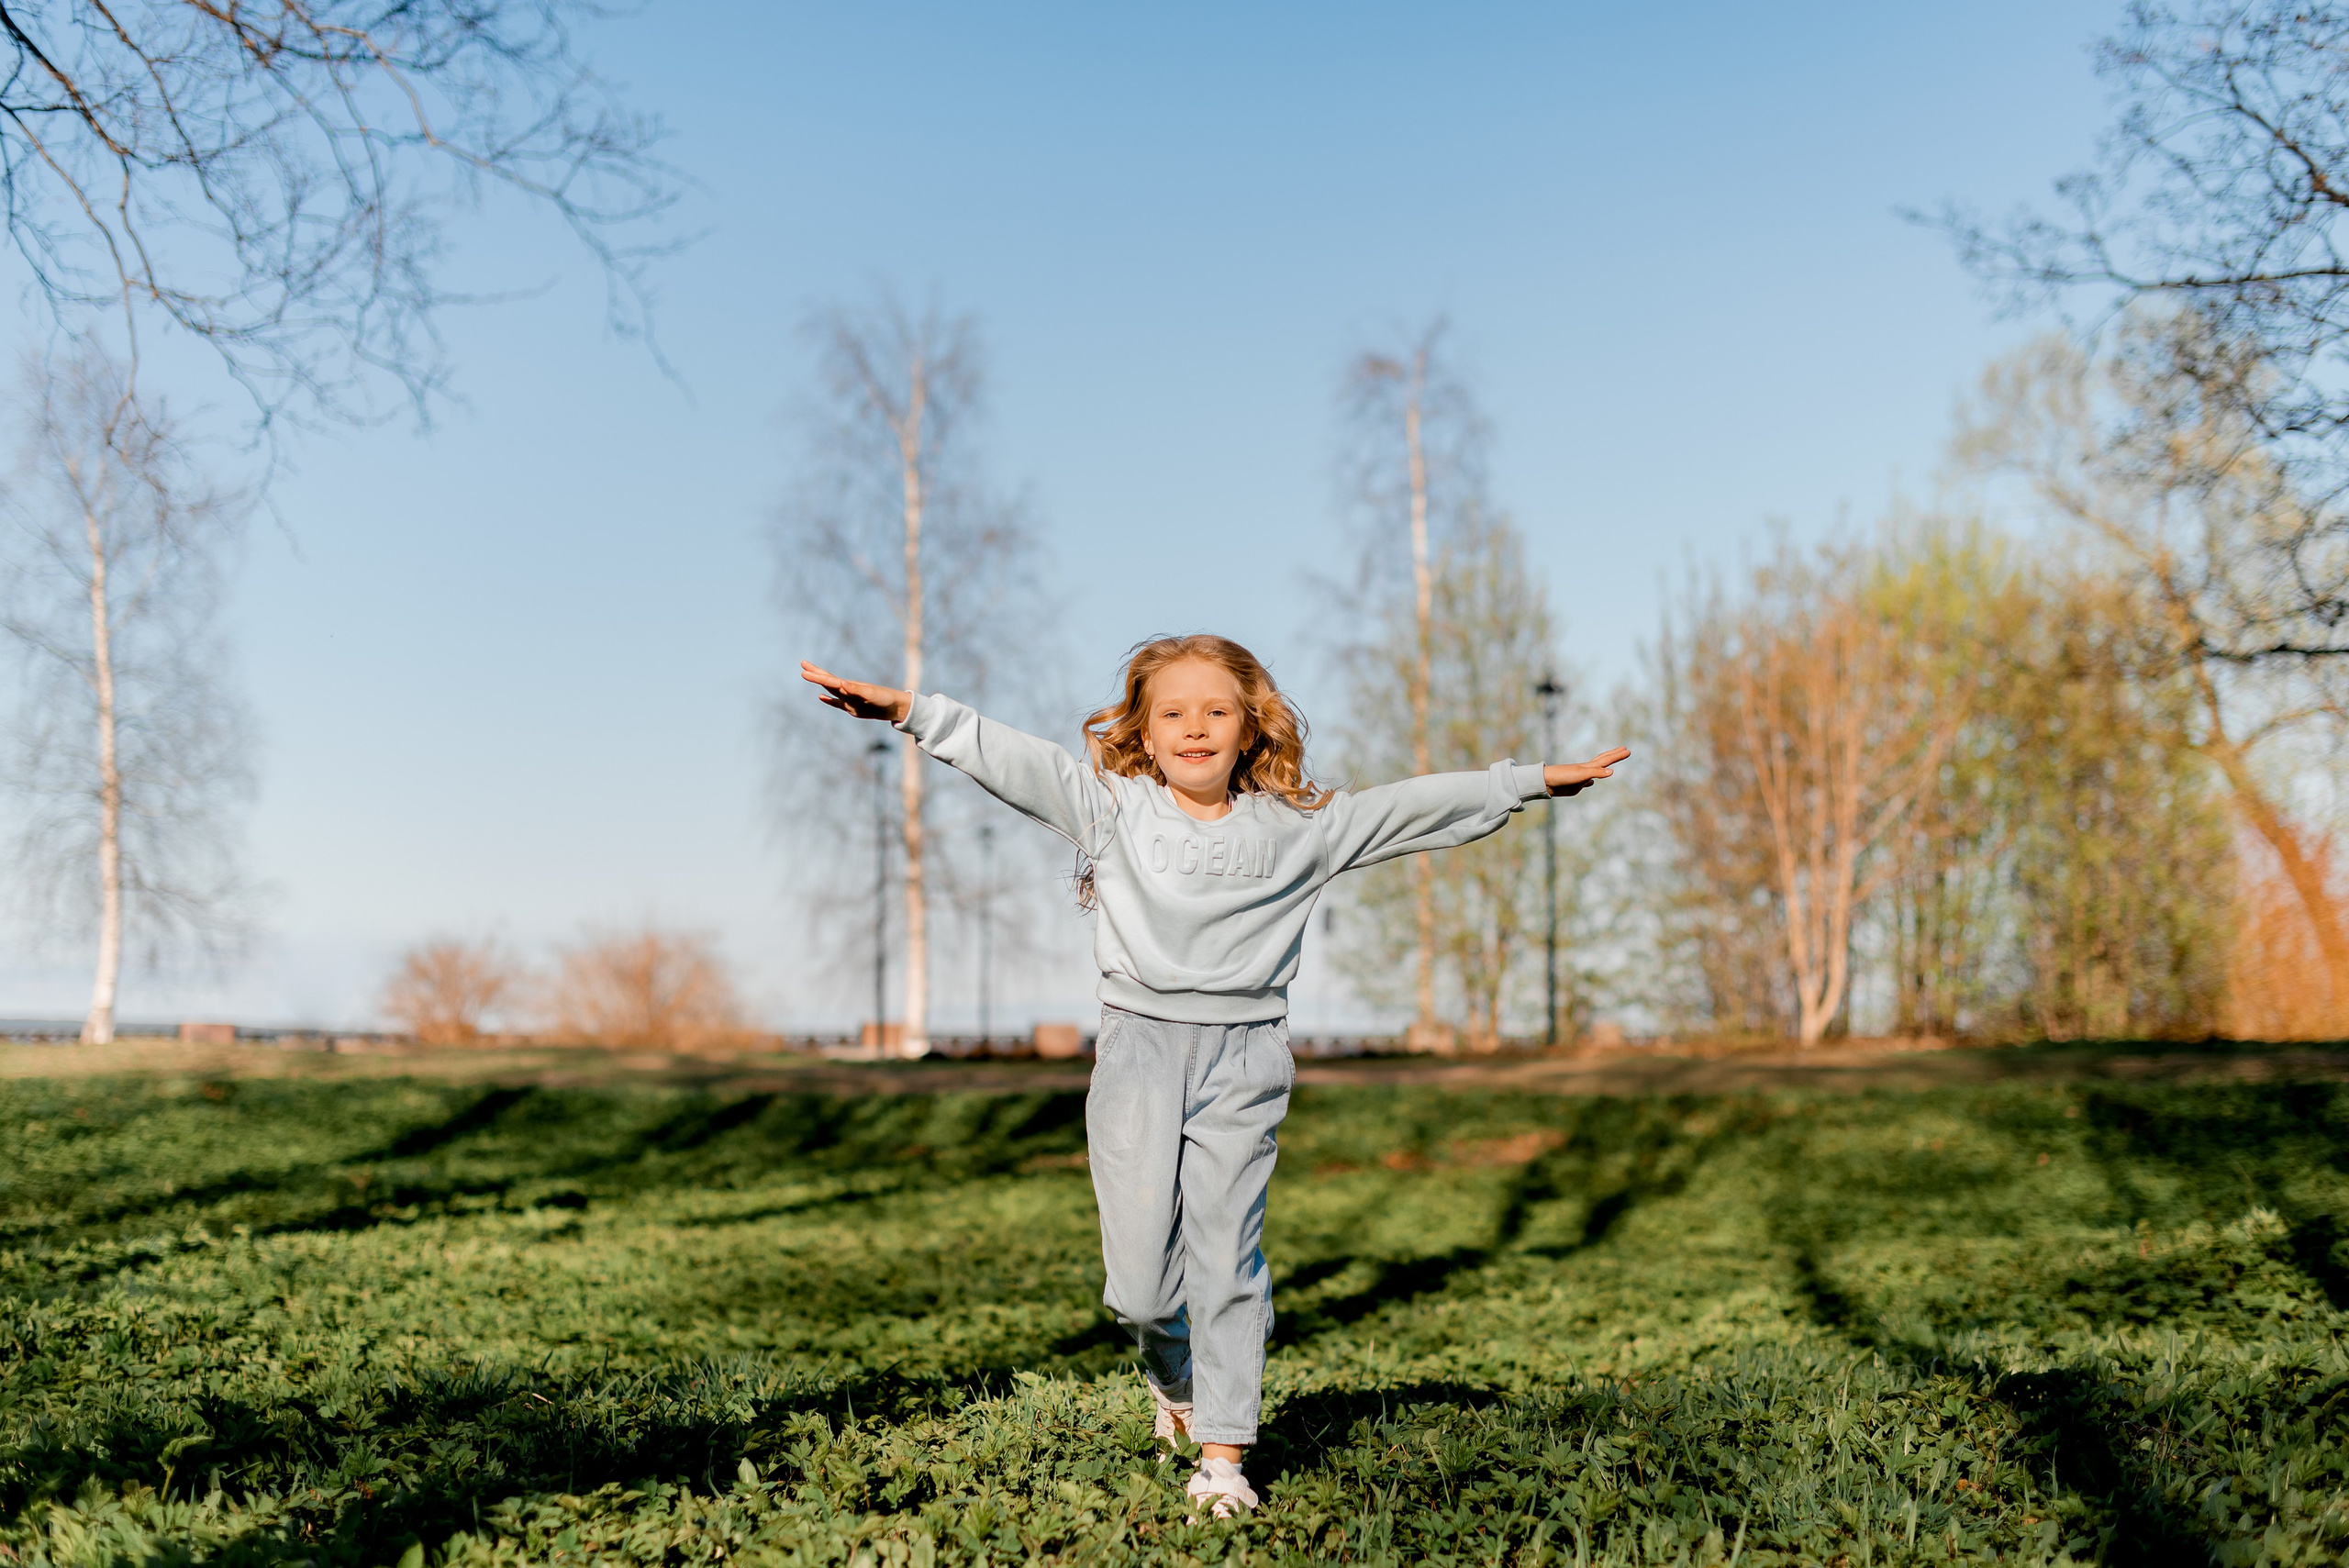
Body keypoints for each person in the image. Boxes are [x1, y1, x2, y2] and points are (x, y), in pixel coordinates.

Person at [801, 634, 1628, 1518]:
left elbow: (1414, 808)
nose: (1195, 728)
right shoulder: (1112, 810)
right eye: (1173, 713)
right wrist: (907, 710)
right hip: (1139, 1052)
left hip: (1246, 1055)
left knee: (1228, 1258)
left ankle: (1225, 1457)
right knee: (1140, 1290)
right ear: (1145, 734)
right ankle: (1178, 1380)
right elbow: (1010, 756)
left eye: (1216, 711)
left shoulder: (1300, 829)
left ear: (1249, 729)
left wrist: (1530, 780)